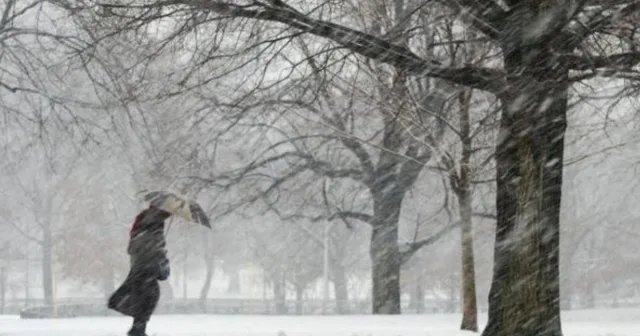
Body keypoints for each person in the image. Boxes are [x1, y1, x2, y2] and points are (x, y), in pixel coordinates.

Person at [108, 206, 172, 336]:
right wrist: (161, 254)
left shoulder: (140, 232)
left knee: (143, 300)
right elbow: (162, 273)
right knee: (149, 299)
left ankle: (137, 328)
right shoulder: (154, 235)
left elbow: (133, 250)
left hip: (138, 272)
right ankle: (138, 329)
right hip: (147, 273)